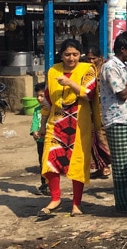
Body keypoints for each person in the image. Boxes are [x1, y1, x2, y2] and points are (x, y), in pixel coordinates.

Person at [36, 38, 100, 217]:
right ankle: (55, 199)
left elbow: (89, 94)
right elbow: (48, 98)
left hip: (79, 122)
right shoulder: (53, 70)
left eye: (75, 54)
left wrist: (70, 83)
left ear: (80, 55)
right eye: (67, 54)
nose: (71, 58)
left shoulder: (87, 69)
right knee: (49, 160)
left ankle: (76, 204)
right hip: (56, 122)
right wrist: (42, 123)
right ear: (61, 55)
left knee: (77, 163)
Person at [98, 32, 127, 215]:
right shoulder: (111, 67)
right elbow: (122, 94)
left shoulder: (124, 66)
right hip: (118, 122)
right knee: (123, 165)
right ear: (122, 49)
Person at [86, 46, 112, 179]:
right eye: (88, 58)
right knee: (91, 137)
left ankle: (106, 165)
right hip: (89, 107)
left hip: (103, 107)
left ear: (100, 58)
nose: (91, 61)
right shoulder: (86, 69)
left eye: (94, 58)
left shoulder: (106, 68)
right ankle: (100, 166)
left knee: (102, 136)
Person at [29, 82, 49, 196]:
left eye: (42, 96)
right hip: (41, 141)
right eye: (37, 96)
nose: (39, 98)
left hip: (50, 140)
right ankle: (44, 184)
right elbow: (35, 122)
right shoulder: (37, 110)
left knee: (49, 164)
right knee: (42, 162)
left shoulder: (52, 109)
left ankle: (51, 185)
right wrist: (34, 132)